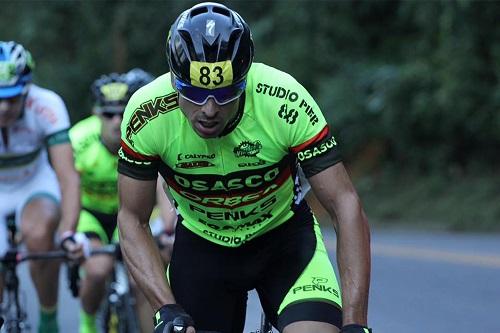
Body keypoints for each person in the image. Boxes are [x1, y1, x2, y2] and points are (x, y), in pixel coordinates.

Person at [117, 2, 372, 333]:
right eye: (193, 93)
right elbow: (132, 218)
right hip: (203, 250)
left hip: (284, 243)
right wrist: (165, 309)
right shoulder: (147, 115)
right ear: (174, 80)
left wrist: (356, 322)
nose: (209, 109)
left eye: (225, 94)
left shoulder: (283, 100)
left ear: (244, 79)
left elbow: (345, 204)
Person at [70, 68, 177, 333]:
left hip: (129, 215)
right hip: (91, 214)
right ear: (96, 113)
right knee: (97, 270)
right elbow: (65, 190)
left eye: (122, 112)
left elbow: (162, 183)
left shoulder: (144, 134)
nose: (117, 120)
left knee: (143, 281)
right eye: (108, 114)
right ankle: (87, 324)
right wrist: (69, 232)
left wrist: (167, 226)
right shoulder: (78, 140)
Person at [0, 41, 82, 333]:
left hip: (33, 182)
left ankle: (49, 320)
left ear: (26, 89)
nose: (4, 107)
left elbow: (68, 177)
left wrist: (68, 232)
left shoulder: (46, 104)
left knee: (40, 235)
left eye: (11, 97)